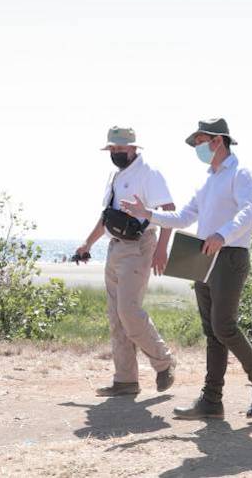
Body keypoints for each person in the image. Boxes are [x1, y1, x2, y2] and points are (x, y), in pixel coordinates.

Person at [122, 117, 252, 420]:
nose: (197, 147)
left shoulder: (241, 173)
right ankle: (211, 401)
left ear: (217, 140)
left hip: (229, 256)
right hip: (203, 257)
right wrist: (147, 214)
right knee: (212, 332)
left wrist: (223, 234)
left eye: (200, 142)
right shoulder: (207, 181)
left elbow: (249, 210)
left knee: (224, 326)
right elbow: (182, 217)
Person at [74, 126, 177, 397]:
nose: (117, 153)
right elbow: (108, 216)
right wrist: (88, 244)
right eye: (113, 149)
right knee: (116, 316)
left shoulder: (148, 174)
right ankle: (125, 380)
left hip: (140, 246)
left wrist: (161, 250)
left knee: (129, 312)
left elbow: (169, 211)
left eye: (122, 148)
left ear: (134, 148)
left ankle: (164, 361)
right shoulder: (116, 176)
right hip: (115, 248)